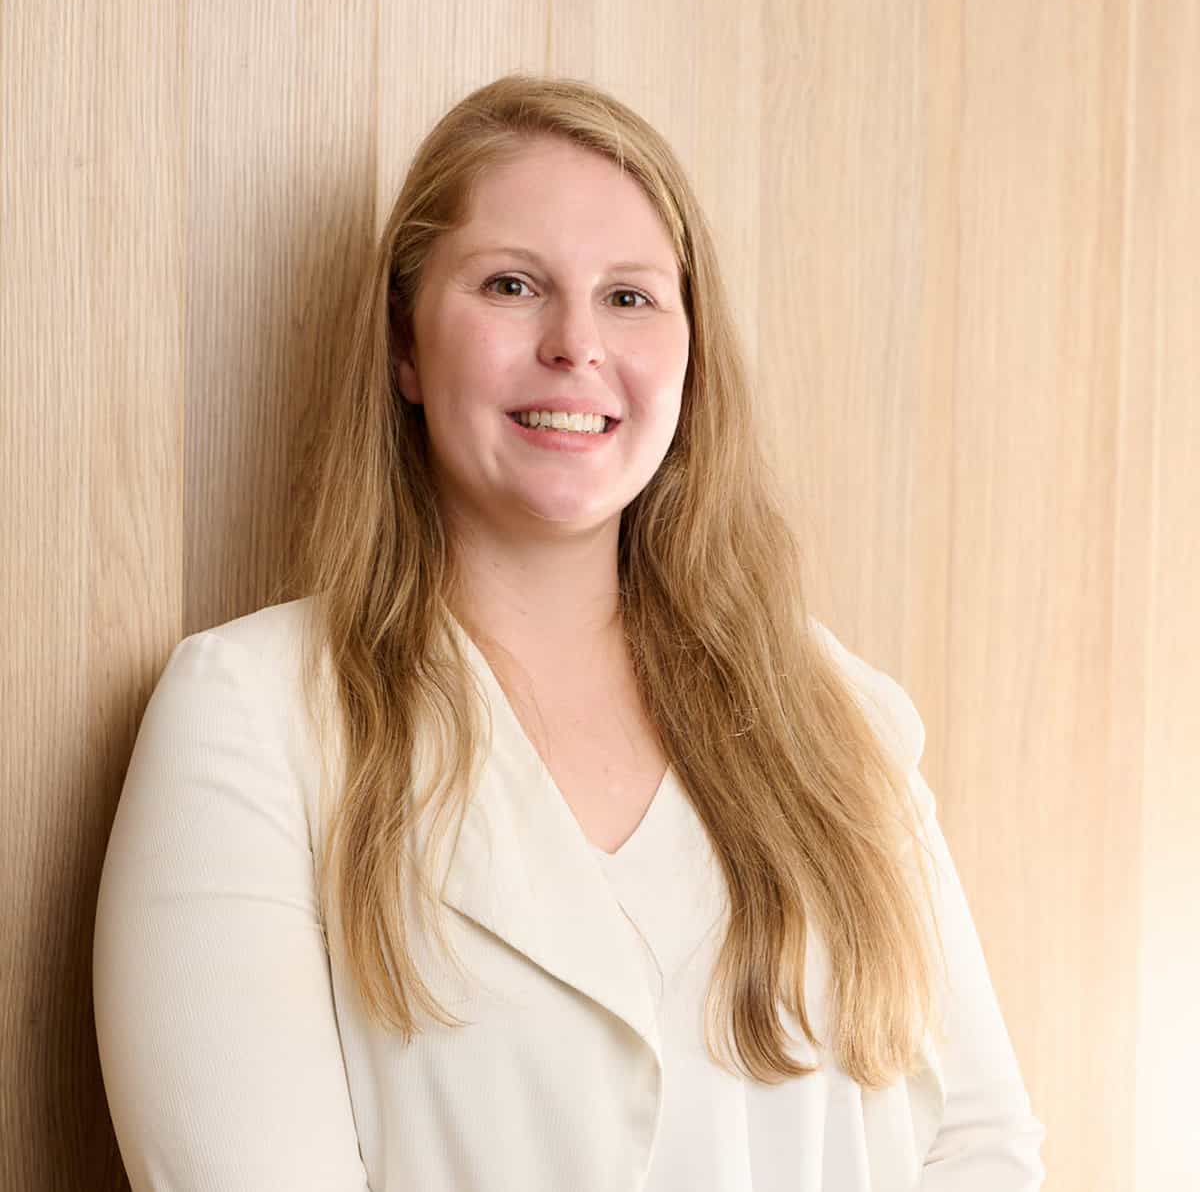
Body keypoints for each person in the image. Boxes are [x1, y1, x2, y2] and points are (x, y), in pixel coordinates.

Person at [92, 74, 1046, 1191]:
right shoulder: (252, 718)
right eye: (511, 284)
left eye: (631, 297)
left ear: (689, 353)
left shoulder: (837, 714)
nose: (576, 344)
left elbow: (979, 1147)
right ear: (405, 346)